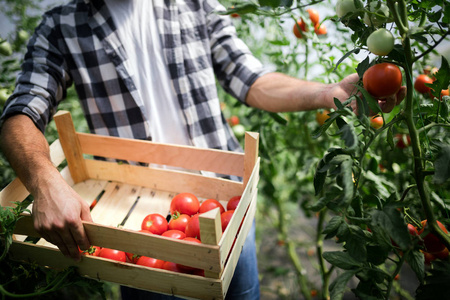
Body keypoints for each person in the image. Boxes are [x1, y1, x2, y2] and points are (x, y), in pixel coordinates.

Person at [0, 0, 405, 299]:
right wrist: (44, 181)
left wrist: (327, 92)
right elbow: (20, 113)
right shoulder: (62, 25)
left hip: (223, 212)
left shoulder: (193, 4)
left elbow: (253, 80)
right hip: (140, 230)